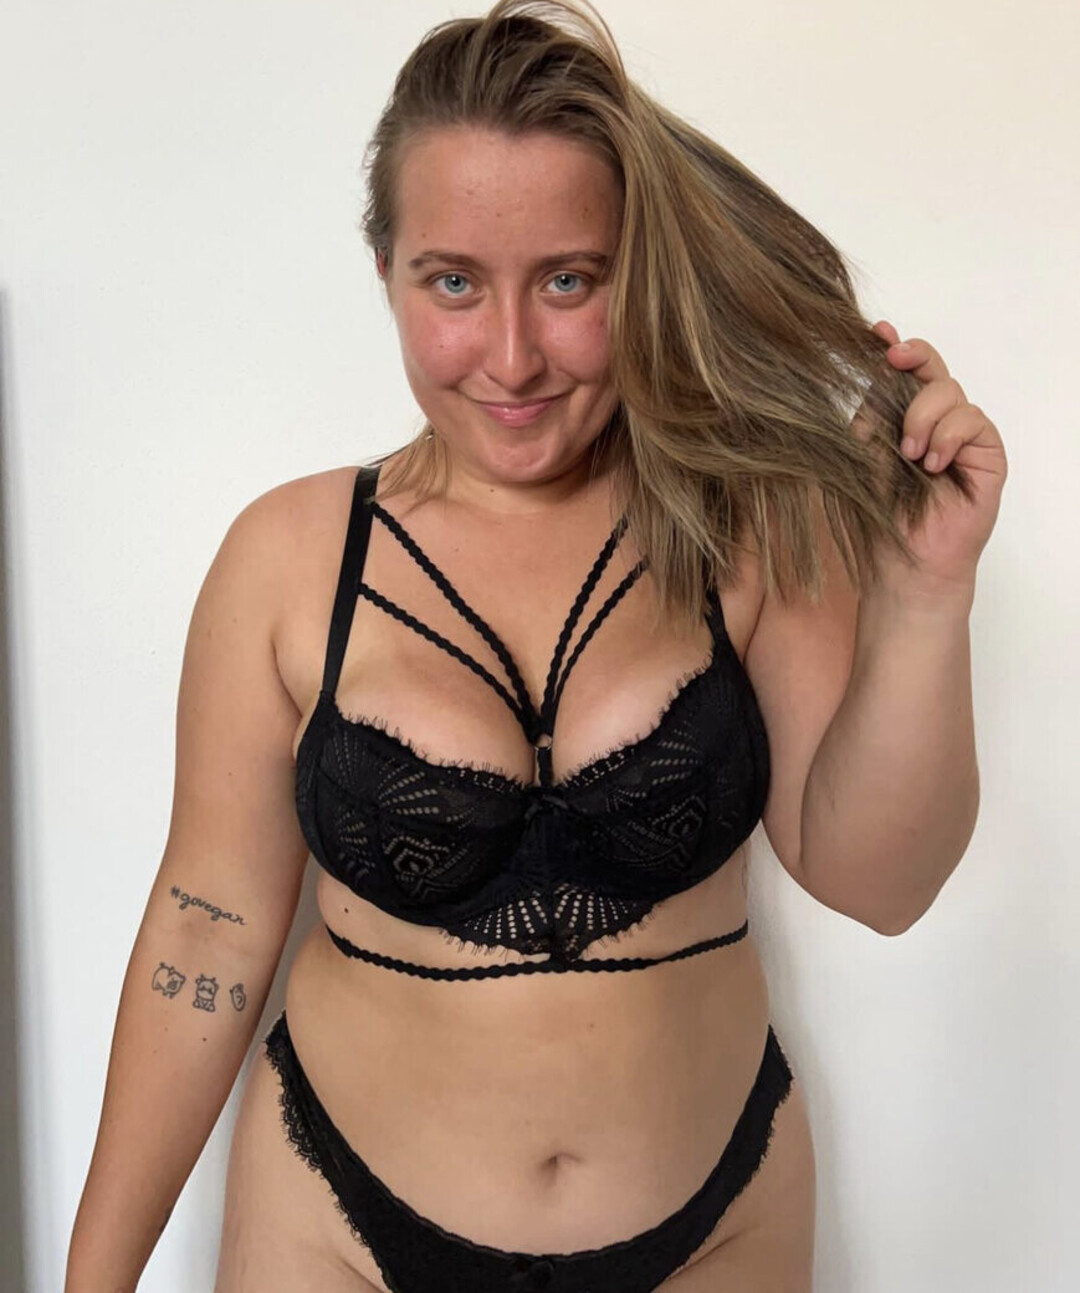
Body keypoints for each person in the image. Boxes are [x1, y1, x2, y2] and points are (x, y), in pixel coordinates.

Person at [64, 2, 1007, 1290]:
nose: (511, 359)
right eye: (453, 282)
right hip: (335, 1226)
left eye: (569, 281)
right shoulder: (289, 561)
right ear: (386, 272)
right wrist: (92, 1281)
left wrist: (924, 593)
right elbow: (206, 937)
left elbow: (881, 886)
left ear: (639, 274)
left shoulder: (742, 533)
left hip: (713, 1228)